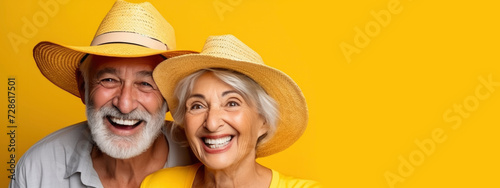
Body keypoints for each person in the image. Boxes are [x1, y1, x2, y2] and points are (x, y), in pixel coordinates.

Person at [9, 0, 197, 187]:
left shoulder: (203, 158)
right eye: (109, 80)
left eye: (146, 84)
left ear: (168, 95)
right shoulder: (37, 171)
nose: (124, 105)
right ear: (83, 86)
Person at [141, 35, 322, 187]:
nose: (212, 124)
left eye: (232, 103)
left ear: (264, 121)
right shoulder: (158, 183)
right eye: (197, 106)